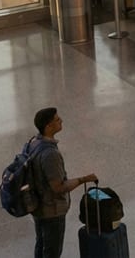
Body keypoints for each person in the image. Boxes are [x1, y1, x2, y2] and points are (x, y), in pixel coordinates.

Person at [29, 107, 97, 258]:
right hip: (51, 210)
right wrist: (83, 179)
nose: (61, 121)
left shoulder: (34, 142)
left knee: (41, 244)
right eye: (57, 120)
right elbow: (58, 187)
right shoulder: (50, 154)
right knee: (52, 251)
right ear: (48, 126)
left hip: (38, 205)